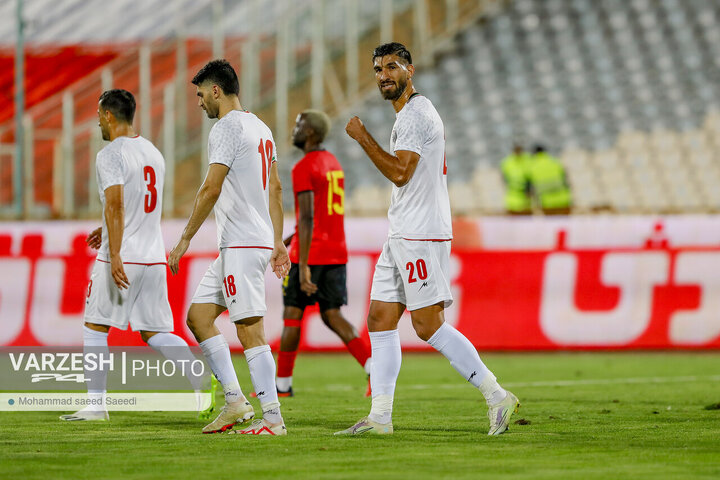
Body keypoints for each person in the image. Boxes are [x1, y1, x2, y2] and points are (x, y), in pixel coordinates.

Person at [335, 43, 519, 436]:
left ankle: (496, 395)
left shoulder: (416, 114)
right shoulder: (407, 114)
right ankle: (380, 417)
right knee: (380, 319)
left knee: (427, 324)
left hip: (421, 233)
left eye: (391, 67)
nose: (384, 75)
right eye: (378, 69)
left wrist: (363, 136)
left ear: (410, 70)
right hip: (401, 231)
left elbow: (401, 173)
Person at [60, 89, 203, 421]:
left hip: (124, 255)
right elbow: (139, 204)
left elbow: (117, 204)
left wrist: (115, 252)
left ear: (108, 115)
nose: (97, 120)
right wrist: (105, 228)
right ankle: (202, 379)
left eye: (98, 114)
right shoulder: (153, 152)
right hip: (153, 256)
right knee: (156, 332)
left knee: (94, 327)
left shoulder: (110, 153)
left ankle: (96, 406)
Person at [168, 59, 290, 436]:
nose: (199, 102)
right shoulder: (260, 127)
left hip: (240, 244)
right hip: (244, 243)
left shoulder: (226, 127)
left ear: (216, 91)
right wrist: (277, 242)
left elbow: (211, 187)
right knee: (199, 317)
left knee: (250, 329)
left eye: (201, 94)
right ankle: (236, 401)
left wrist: (186, 236)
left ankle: (272, 418)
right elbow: (275, 189)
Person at [275, 109, 371, 397]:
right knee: (332, 314)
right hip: (336, 251)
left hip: (311, 253)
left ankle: (281, 386)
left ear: (311, 133)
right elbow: (321, 214)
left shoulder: (303, 166)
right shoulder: (333, 163)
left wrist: (301, 265)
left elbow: (307, 217)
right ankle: (373, 368)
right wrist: (290, 237)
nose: (294, 130)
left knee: (292, 315)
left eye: (298, 125)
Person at [528, 145, 572, 215]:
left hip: (547, 202)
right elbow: (565, 179)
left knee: (551, 224)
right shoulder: (555, 162)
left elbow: (531, 187)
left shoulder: (532, 166)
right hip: (563, 199)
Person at [500, 144, 533, 215]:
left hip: (525, 198)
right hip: (513, 198)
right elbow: (504, 178)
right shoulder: (507, 163)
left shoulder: (527, 160)